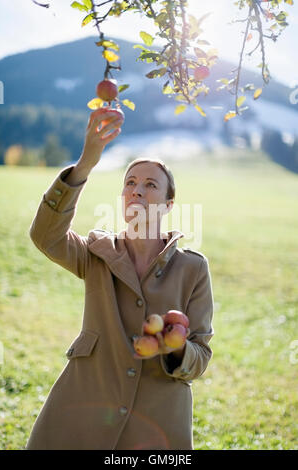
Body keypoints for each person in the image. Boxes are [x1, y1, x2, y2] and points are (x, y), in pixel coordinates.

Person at [25, 108, 214, 450]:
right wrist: (85, 164)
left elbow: (200, 356)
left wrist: (177, 348)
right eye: (130, 183)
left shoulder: (193, 269)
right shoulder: (97, 253)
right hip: (81, 414)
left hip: (155, 427)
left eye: (150, 184)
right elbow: (45, 237)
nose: (137, 190)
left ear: (169, 204)